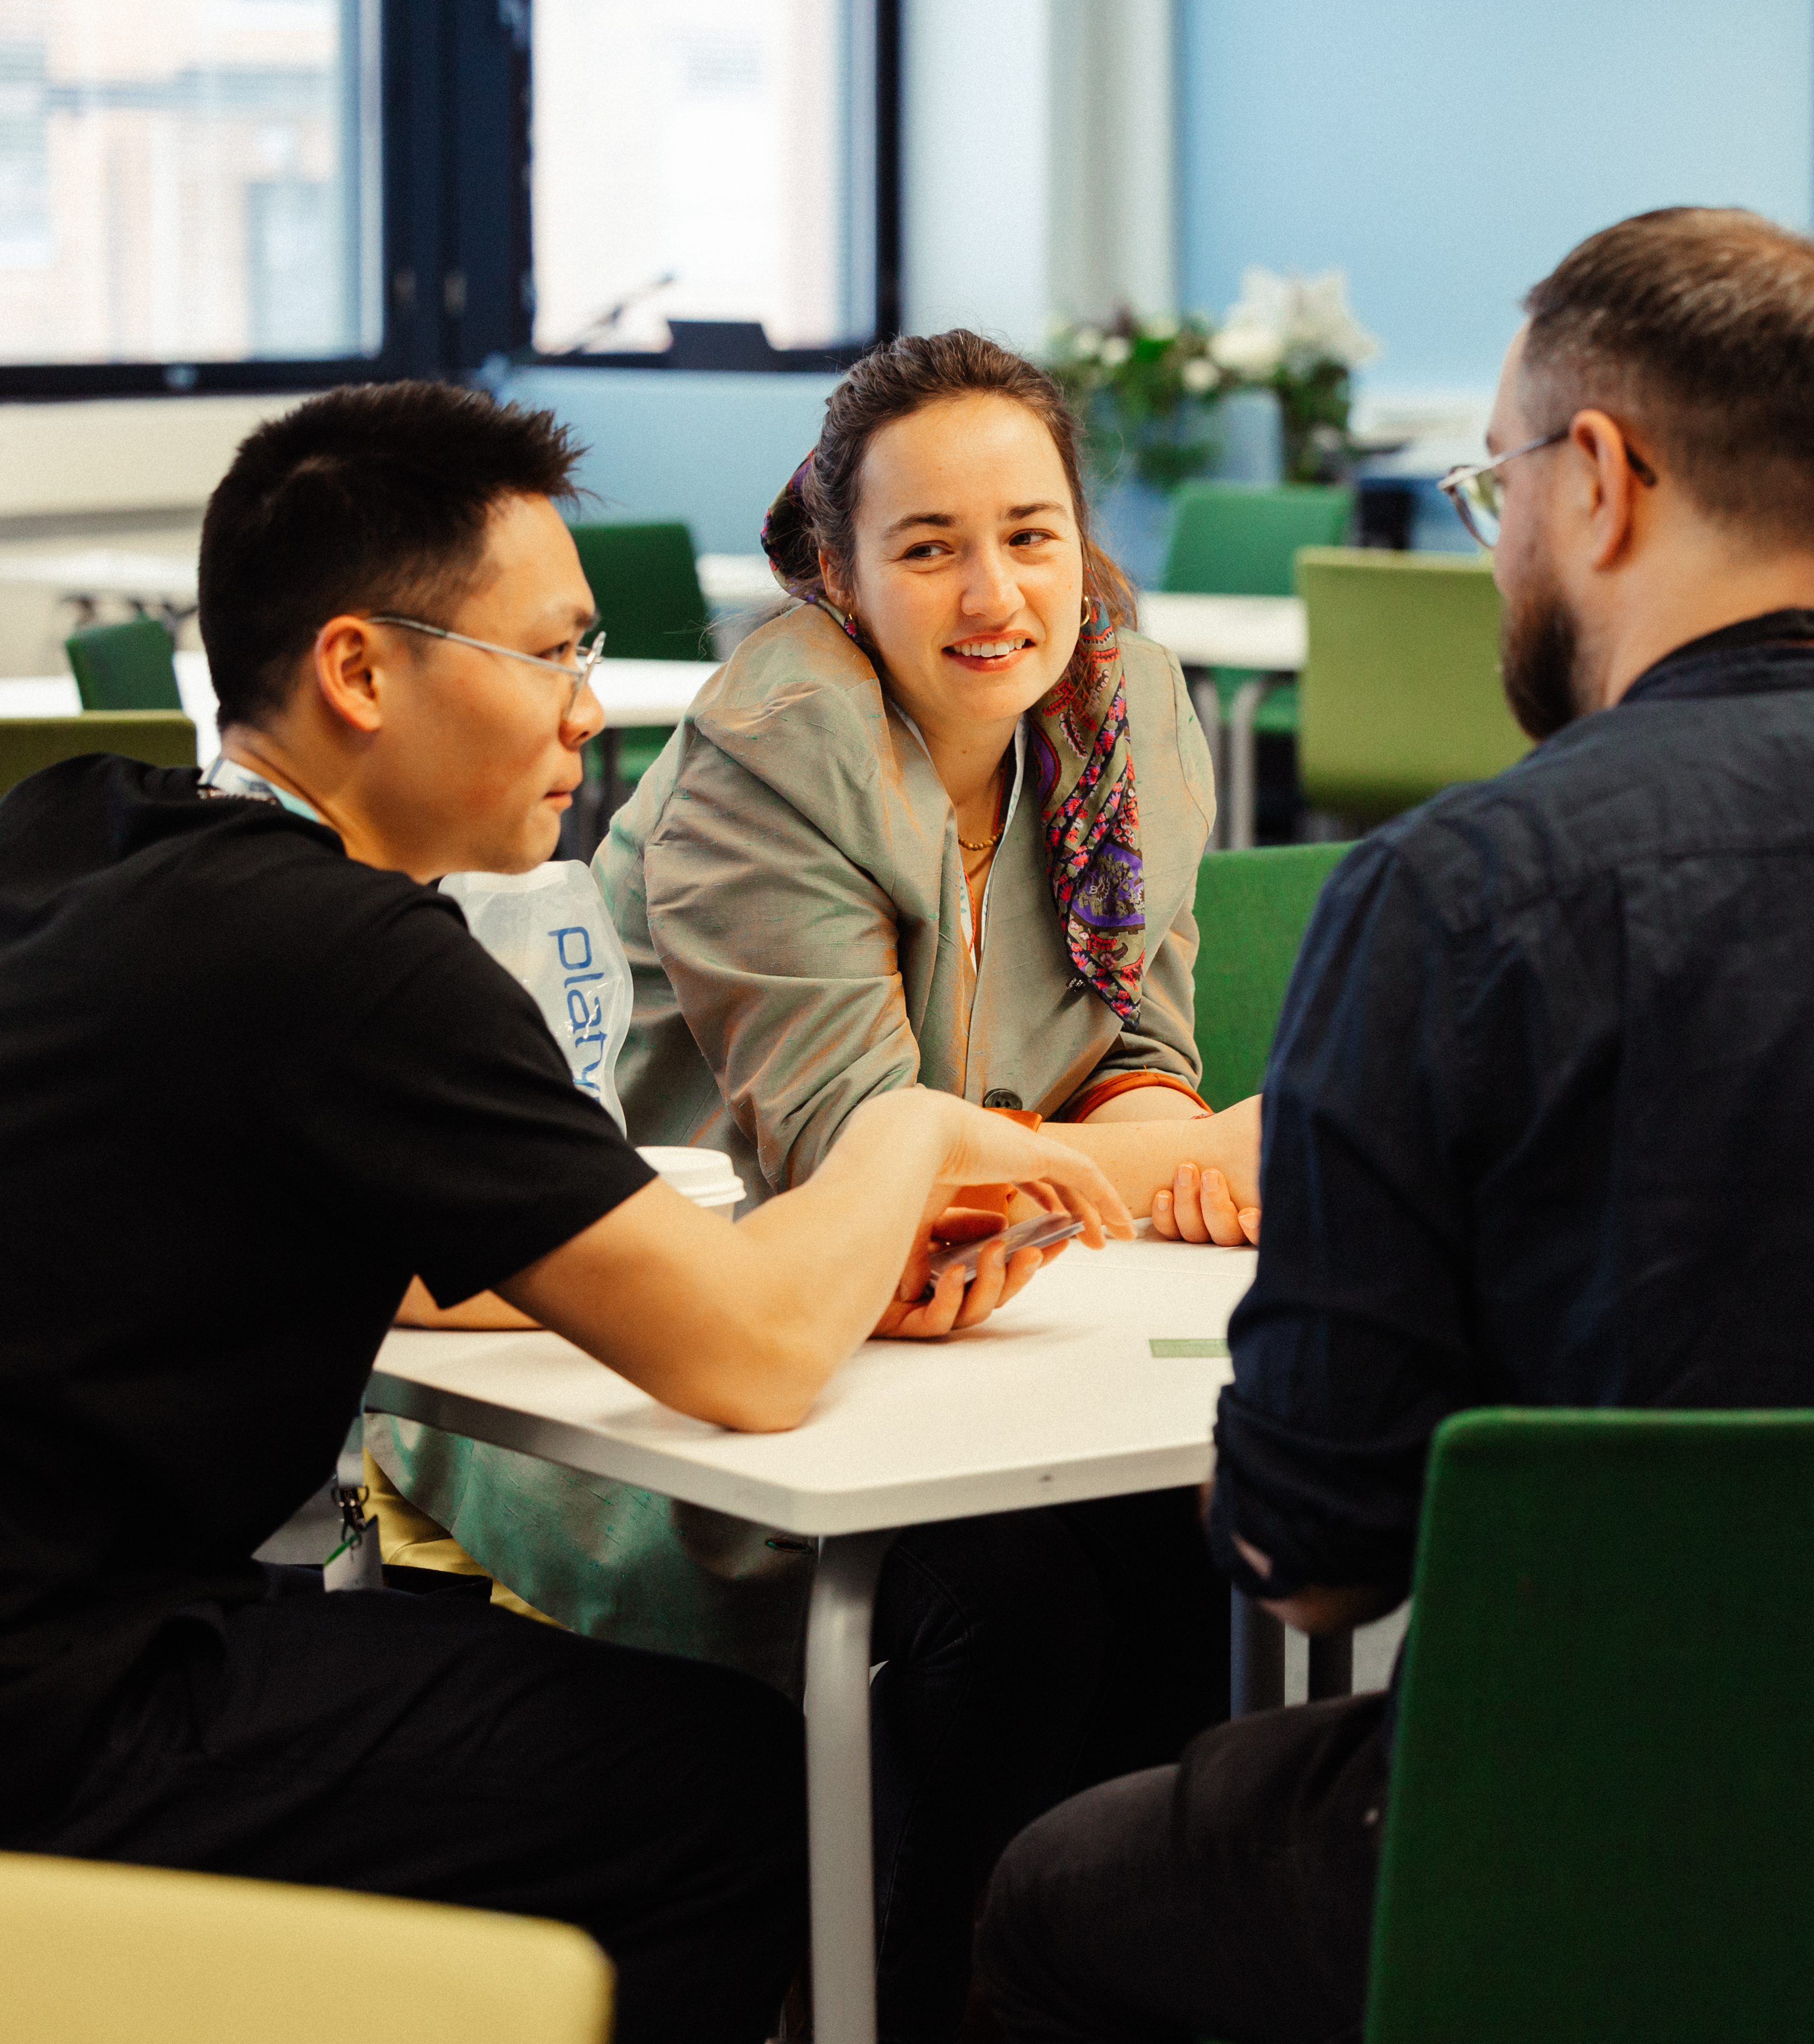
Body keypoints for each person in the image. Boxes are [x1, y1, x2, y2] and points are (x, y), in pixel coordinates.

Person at [975, 205, 1814, 2044]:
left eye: (1501, 489)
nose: (1502, 547)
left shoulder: (1450, 899)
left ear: (1602, 480)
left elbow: (1315, 1550)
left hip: (1567, 1863)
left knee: (1049, 1899)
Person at [0, 380, 1132, 2044]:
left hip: (43, 1626)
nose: (590, 713)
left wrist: (797, 1268)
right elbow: (749, 1362)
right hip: (52, 1702)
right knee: (725, 1783)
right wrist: (915, 1133)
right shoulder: (358, 960)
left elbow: (432, 1261)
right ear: (360, 671)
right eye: (550, 654)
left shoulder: (74, 825)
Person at [368, 333, 1240, 2043]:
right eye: (928, 547)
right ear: (836, 572)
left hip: (982, 1335)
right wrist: (1190, 1163)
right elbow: (873, 1160)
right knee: (1012, 1610)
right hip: (656, 1350)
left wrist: (1152, 1135)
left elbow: (1137, 1039)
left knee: (1195, 1545)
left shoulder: (1124, 710)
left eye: (1033, 534)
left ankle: (1064, 1996)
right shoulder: (775, 749)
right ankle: (898, 2000)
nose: (995, 593)